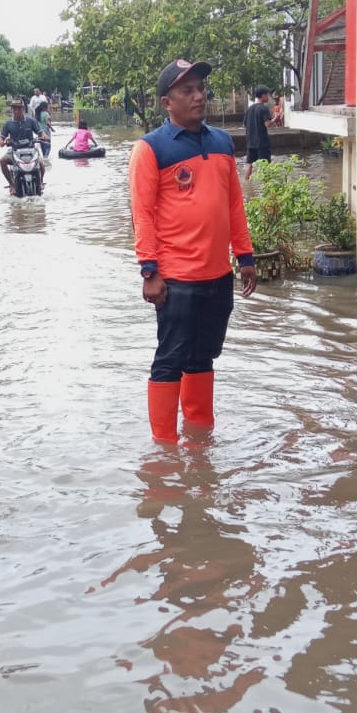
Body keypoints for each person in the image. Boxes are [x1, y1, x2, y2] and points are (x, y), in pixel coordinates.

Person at [128, 58, 257, 443]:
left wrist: (245, 256)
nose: (198, 96)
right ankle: (164, 449)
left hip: (218, 275)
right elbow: (143, 214)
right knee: (170, 360)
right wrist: (150, 271)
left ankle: (200, 438)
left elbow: (233, 203)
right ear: (167, 102)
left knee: (204, 358)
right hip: (177, 279)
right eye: (188, 90)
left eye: (201, 88)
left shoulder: (221, 143)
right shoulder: (150, 149)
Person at [0, 99, 48, 190]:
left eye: (19, 108)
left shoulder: (31, 121)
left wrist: (44, 136)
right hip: (15, 151)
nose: (17, 111)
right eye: (15, 108)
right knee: (2, 161)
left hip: (31, 150)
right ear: (12, 110)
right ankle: (12, 184)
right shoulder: (8, 124)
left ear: (23, 109)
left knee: (41, 163)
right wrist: (1, 141)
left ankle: (40, 182)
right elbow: (1, 137)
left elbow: (40, 132)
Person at [243, 86, 274, 180]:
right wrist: (275, 119)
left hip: (250, 142)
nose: (268, 97)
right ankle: (268, 187)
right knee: (265, 165)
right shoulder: (263, 108)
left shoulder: (249, 109)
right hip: (262, 143)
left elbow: (245, 124)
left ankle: (247, 183)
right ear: (263, 95)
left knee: (249, 164)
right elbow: (267, 124)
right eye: (268, 95)